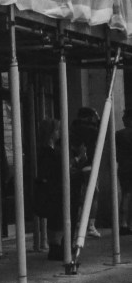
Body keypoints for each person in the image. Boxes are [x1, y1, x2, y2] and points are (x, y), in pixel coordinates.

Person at [34, 119, 64, 260]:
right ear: (51, 133)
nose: (59, 132)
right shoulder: (48, 151)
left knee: (55, 218)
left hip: (52, 187)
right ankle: (55, 246)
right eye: (57, 130)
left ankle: (55, 245)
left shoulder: (48, 150)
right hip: (53, 189)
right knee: (56, 217)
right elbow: (50, 170)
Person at [70, 105, 101, 238]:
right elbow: (102, 133)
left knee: (78, 194)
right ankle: (90, 225)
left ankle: (78, 221)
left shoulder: (73, 128)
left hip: (76, 165)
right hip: (89, 163)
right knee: (93, 193)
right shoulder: (92, 130)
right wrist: (98, 118)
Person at [116, 108, 132, 235]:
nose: (122, 119)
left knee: (125, 194)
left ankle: (123, 223)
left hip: (123, 167)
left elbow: (116, 153)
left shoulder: (119, 134)